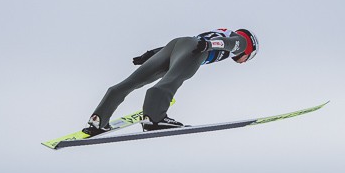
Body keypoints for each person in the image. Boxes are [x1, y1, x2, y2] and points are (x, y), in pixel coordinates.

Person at [82, 28, 259, 136]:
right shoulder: (242, 42)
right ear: (250, 49)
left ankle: (99, 119)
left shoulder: (222, 30)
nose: (243, 62)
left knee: (132, 81)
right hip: (196, 49)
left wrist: (150, 54)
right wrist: (208, 46)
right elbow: (227, 43)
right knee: (172, 80)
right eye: (248, 58)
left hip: (176, 45)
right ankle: (154, 118)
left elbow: (183, 45)